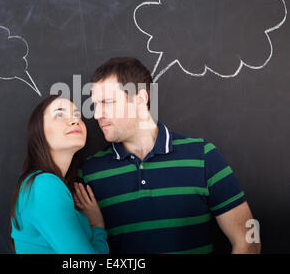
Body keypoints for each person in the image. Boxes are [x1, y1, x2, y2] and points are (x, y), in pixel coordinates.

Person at [75, 57, 261, 254]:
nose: (96, 115)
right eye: (95, 104)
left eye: (107, 102)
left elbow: (249, 239)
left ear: (139, 100)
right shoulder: (89, 174)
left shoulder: (202, 156)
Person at [9, 94, 109, 254]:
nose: (75, 120)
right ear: (39, 130)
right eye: (59, 114)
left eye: (77, 115)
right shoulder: (44, 185)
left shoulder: (44, 185)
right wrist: (97, 227)